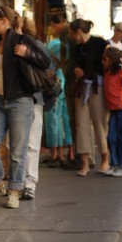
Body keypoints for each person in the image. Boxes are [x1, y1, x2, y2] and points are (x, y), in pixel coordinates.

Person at [0, 5, 51, 209]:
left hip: (21, 101)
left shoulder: (22, 41)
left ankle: (14, 190)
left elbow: (45, 62)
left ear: (5, 21)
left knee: (18, 150)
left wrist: (28, 54)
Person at [68, 19, 110, 175]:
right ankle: (85, 163)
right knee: (82, 125)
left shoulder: (100, 42)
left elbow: (110, 59)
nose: (71, 36)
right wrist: (77, 71)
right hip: (82, 87)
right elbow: (75, 66)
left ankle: (105, 159)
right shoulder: (77, 48)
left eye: (72, 33)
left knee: (100, 124)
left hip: (97, 86)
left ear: (78, 31)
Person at [17, 14, 49, 200]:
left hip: (34, 99)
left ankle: (29, 183)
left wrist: (27, 53)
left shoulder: (34, 44)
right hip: (15, 101)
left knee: (31, 143)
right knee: (19, 144)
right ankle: (20, 182)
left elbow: (46, 62)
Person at [43, 14, 74, 167]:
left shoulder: (52, 45)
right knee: (67, 118)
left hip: (54, 83)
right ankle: (70, 152)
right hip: (67, 82)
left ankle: (56, 153)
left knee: (53, 118)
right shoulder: (70, 45)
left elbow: (47, 66)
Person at [100, 45, 122, 176]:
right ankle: (115, 164)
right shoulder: (107, 73)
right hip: (114, 110)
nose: (102, 61)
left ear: (112, 61)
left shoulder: (119, 73)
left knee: (121, 137)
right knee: (111, 137)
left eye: (105, 59)